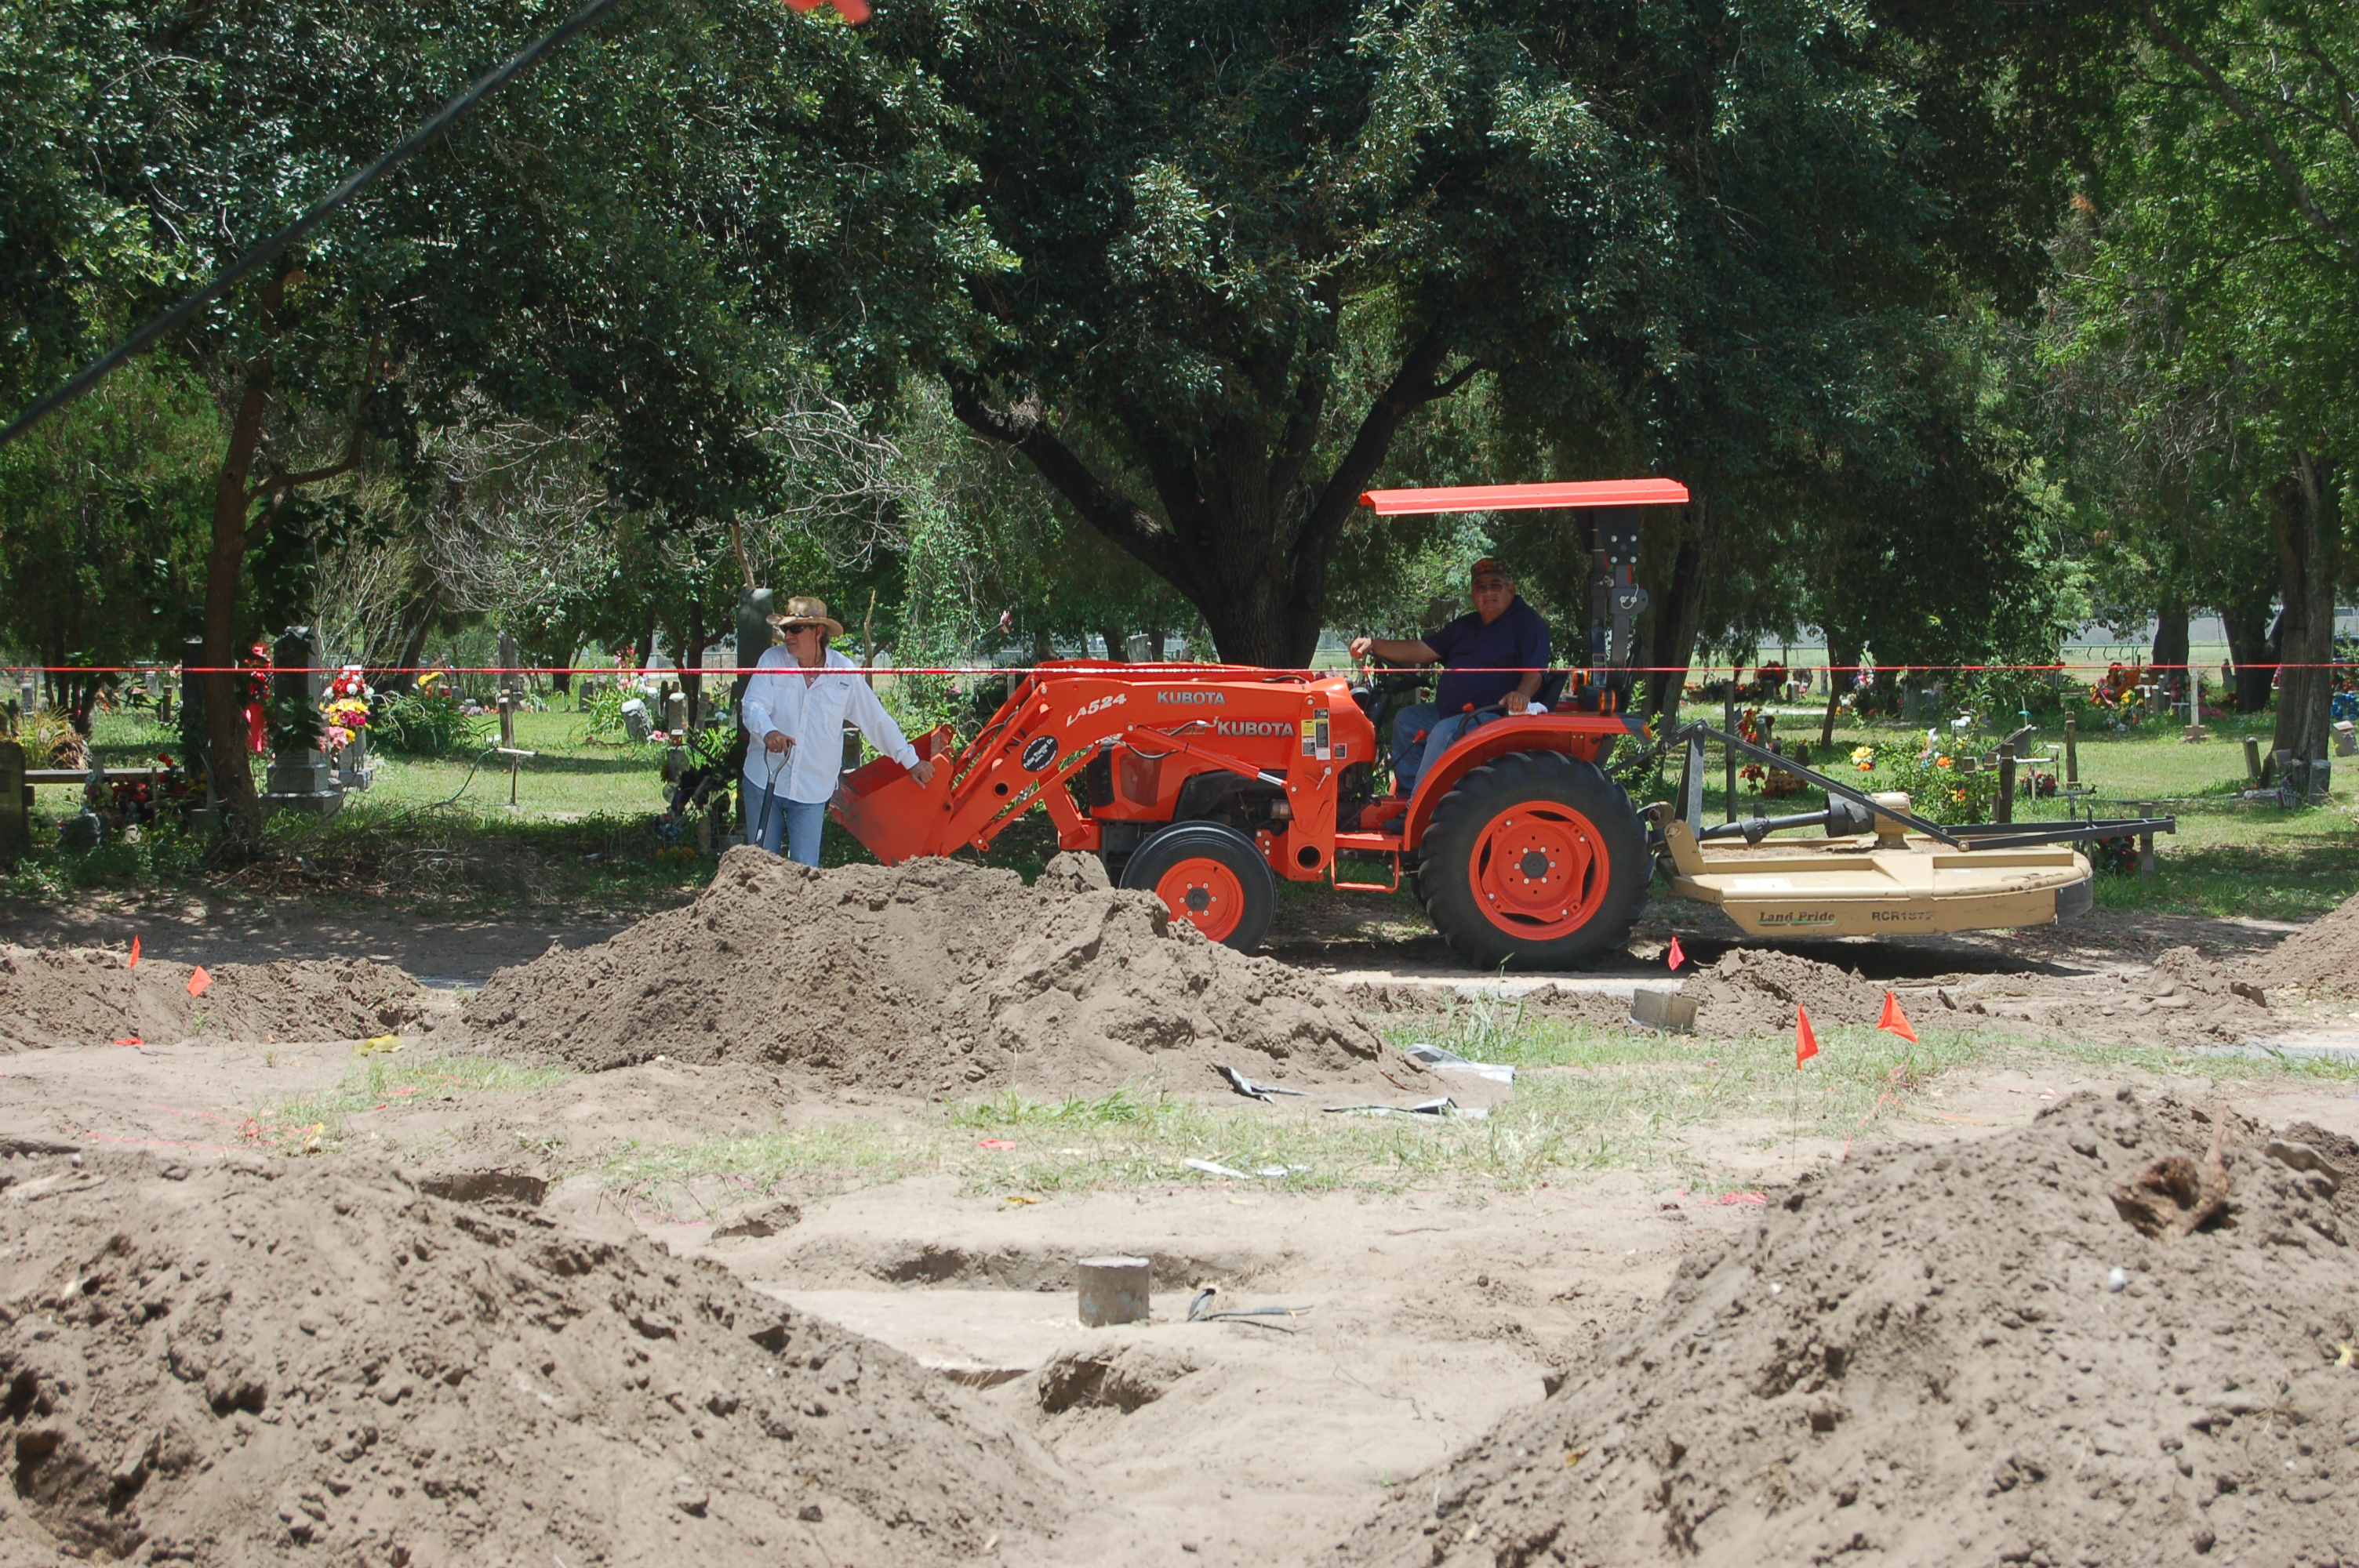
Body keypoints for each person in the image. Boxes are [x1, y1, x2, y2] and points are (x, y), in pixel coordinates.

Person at [740, 596, 936, 866]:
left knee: (806, 870)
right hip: (764, 780)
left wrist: (910, 761)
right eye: (785, 629)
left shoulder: (843, 672)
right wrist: (769, 731)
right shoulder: (771, 660)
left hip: (812, 789)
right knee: (760, 868)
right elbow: (752, 706)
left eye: (796, 629)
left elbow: (875, 720)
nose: (788, 635)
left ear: (818, 632)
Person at [1350, 557, 1550, 796]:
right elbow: (1423, 650)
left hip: (1494, 715)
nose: (1488, 592)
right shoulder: (1466, 626)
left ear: (1511, 589)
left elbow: (1535, 672)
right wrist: (1374, 645)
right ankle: (1406, 795)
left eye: (1495, 585)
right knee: (1406, 721)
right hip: (1455, 714)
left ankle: (1419, 808)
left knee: (1444, 731)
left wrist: (1522, 694)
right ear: (1473, 594)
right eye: (1481, 587)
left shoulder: (1527, 623)